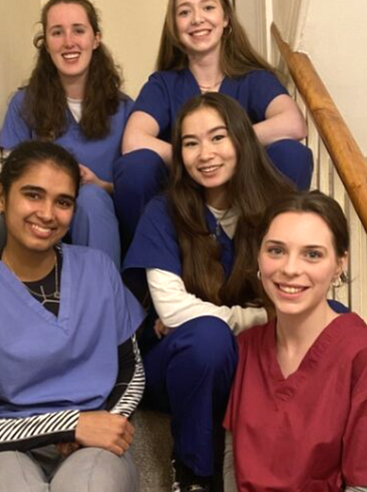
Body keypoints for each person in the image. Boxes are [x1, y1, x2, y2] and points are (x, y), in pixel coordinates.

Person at [0, 141, 145, 492]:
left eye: (63, 202)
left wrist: (105, 424)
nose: (47, 214)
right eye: (33, 195)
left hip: (93, 445)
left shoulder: (98, 270)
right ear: (1, 196)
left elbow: (132, 368)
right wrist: (71, 424)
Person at [123, 93, 296, 491]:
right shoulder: (163, 210)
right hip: (179, 366)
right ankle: (194, 475)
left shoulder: (278, 208)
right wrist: (257, 318)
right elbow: (170, 306)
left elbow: (297, 298)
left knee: (335, 320)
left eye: (217, 138)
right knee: (207, 338)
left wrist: (255, 319)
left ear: (240, 140)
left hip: (254, 356)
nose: (205, 154)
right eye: (190, 143)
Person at [224, 191, 367, 492]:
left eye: (312, 254)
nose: (290, 268)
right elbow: (231, 462)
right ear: (258, 257)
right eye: (276, 250)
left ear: (339, 264)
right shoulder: (245, 348)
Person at [113, 0, 311, 252]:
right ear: (175, 27)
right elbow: (133, 140)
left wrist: (229, 145)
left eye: (208, 7)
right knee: (136, 167)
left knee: (292, 153)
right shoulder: (165, 83)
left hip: (245, 197)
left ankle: (275, 254)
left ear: (226, 19)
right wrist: (195, 155)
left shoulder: (254, 78)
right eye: (185, 12)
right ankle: (145, 269)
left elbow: (293, 123)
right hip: (186, 196)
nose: (197, 19)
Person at [0, 0, 131, 268]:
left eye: (78, 31)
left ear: (95, 39)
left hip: (107, 226)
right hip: (44, 227)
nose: (69, 42)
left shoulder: (125, 110)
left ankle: (103, 301)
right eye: (57, 32)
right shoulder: (24, 105)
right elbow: (10, 180)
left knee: (92, 199)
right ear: (45, 43)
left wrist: (101, 185)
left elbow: (139, 190)